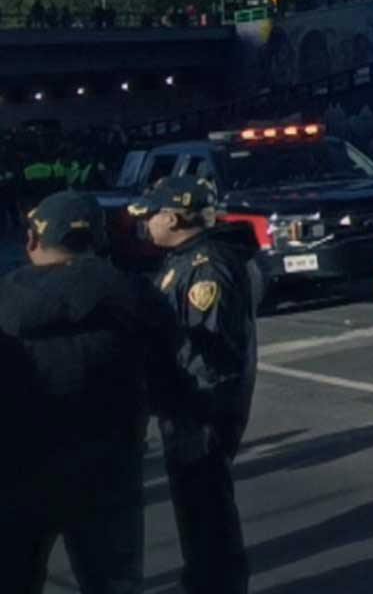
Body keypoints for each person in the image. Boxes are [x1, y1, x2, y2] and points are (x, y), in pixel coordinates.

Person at [0, 190, 170, 594]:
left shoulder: (4, 301)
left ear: (31, 241)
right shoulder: (137, 297)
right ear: (99, 239)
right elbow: (170, 375)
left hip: (17, 473)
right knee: (113, 582)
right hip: (108, 473)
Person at [130, 176, 259, 594]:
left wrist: (176, 391)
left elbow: (208, 351)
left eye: (151, 215)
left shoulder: (207, 266)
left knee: (206, 509)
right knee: (195, 507)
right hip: (186, 408)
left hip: (200, 410)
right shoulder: (185, 258)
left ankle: (217, 584)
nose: (146, 223)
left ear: (172, 217)